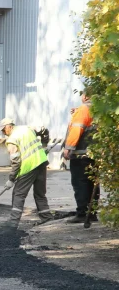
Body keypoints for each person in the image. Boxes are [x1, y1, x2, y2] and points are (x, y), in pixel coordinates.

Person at [0, 118, 54, 229]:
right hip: (41, 162)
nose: (3, 133)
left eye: (3, 130)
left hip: (29, 167)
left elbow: (16, 162)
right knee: (40, 193)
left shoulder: (12, 140)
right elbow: (44, 131)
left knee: (18, 194)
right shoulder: (27, 129)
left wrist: (11, 179)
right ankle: (47, 217)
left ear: (9, 126)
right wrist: (44, 146)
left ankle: (13, 222)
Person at [63, 88, 99, 223]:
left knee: (80, 183)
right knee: (92, 183)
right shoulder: (99, 109)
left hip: (80, 154)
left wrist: (68, 148)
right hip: (95, 154)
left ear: (85, 97)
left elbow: (77, 129)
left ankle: (82, 213)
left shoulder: (83, 109)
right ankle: (92, 213)